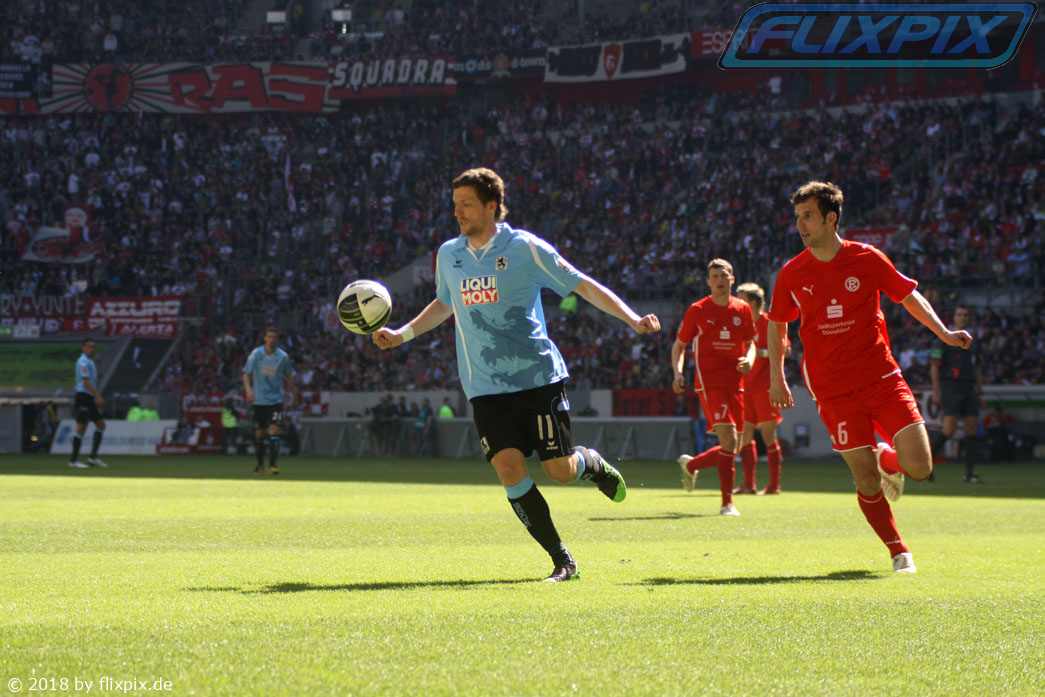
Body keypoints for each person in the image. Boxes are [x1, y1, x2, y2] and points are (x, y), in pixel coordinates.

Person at [373, 167, 661, 582]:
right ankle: (562, 560)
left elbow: (582, 285)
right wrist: (401, 335)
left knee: (559, 471)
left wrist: (632, 319)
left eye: (466, 204)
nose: (457, 212)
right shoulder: (448, 254)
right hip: (484, 386)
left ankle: (591, 463)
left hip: (537, 379)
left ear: (492, 205)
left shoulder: (526, 248)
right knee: (508, 469)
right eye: (455, 204)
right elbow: (443, 304)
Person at [767, 181, 972, 574]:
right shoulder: (792, 273)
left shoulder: (866, 257)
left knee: (920, 467)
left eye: (808, 216)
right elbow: (777, 325)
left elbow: (907, 295)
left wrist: (944, 333)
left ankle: (886, 458)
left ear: (831, 218)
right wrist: (777, 377)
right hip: (832, 389)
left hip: (882, 378)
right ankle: (899, 551)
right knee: (865, 479)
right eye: (797, 217)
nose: (800, 224)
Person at [672, 259, 755, 516]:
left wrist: (749, 360)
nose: (720, 280)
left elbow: (751, 343)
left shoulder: (742, 309)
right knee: (729, 440)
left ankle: (691, 465)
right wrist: (678, 373)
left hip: (736, 383)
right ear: (709, 282)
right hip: (709, 382)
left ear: (732, 279)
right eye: (715, 276)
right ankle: (727, 503)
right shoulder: (698, 309)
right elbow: (679, 345)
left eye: (724, 275)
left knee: (734, 446)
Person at [735, 282, 789, 495]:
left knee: (768, 436)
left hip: (766, 389)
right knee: (745, 436)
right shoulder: (739, 324)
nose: (738, 304)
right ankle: (749, 484)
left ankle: (774, 485)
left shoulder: (769, 323)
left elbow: (787, 350)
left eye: (742, 300)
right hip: (744, 388)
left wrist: (761, 353)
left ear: (754, 303)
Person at [929, 305, 985, 483]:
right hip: (950, 387)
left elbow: (977, 368)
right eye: (959, 314)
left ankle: (969, 473)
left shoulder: (974, 342)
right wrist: (936, 392)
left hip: (968, 387)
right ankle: (926, 465)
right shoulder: (943, 339)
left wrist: (981, 391)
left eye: (965, 315)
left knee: (972, 428)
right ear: (954, 318)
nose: (962, 317)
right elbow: (934, 367)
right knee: (949, 429)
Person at [242, 327, 297, 475]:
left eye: (274, 337)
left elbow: (289, 376)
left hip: (276, 400)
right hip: (259, 400)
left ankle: (272, 465)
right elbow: (246, 374)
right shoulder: (256, 354)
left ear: (277, 340)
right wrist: (248, 391)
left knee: (274, 430)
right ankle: (260, 464)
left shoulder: (283, 357)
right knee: (259, 433)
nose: (272, 340)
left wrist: (294, 395)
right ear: (264, 338)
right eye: (269, 337)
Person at [70, 337, 107, 468]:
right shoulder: (83, 362)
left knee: (101, 425)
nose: (91, 349)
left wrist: (94, 397)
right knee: (81, 427)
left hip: (89, 398)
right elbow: (86, 382)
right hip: (83, 397)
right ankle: (73, 461)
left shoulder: (90, 361)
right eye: (89, 346)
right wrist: (98, 397)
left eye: (93, 347)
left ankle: (93, 458)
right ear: (83, 348)